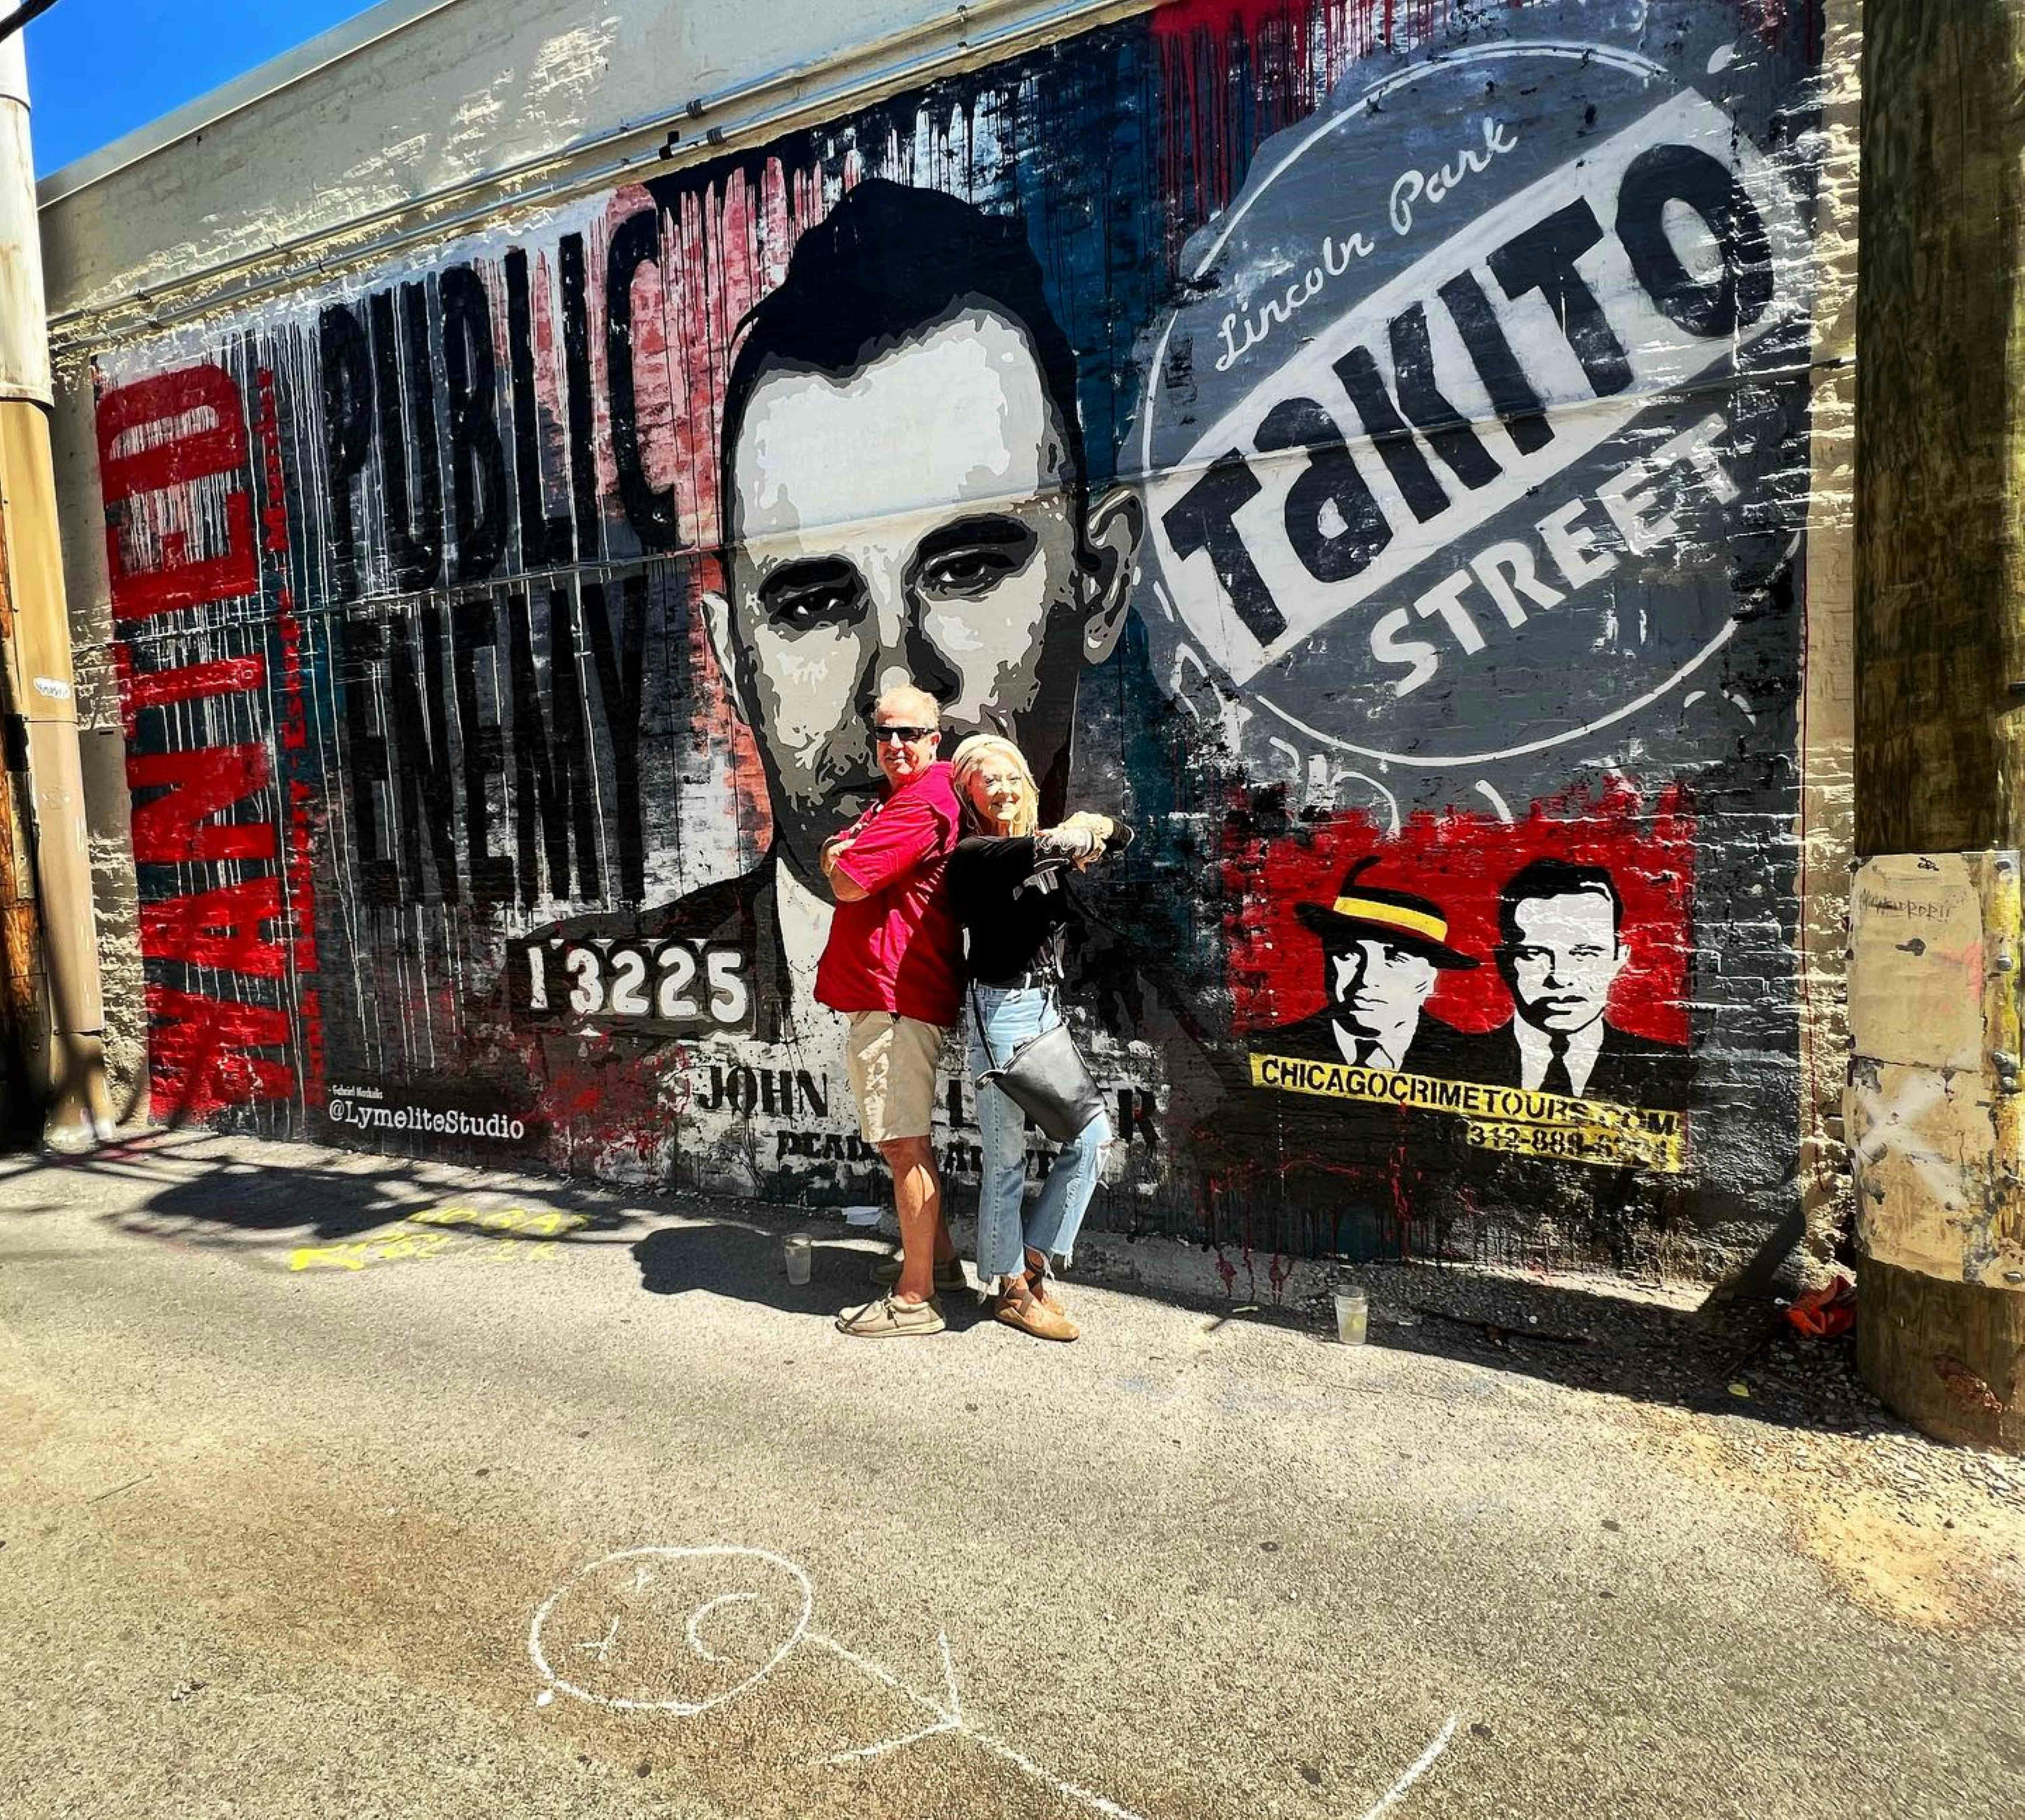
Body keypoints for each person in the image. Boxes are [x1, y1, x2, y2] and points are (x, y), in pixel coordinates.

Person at [509, 179, 1143, 1044]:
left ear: (1098, 583)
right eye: (811, 601)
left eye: (964, 570)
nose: (894, 688)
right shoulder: (589, 1045)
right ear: (736, 663)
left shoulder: (1201, 1095)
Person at [945, 735, 1118, 1342]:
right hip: (1001, 1020)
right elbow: (1022, 853)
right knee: (1007, 1160)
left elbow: (1116, 839)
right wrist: (1062, 839)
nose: (1002, 788)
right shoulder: (973, 853)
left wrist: (1094, 826)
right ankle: (1011, 1290)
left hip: (1044, 1013)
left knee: (1094, 1139)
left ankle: (1034, 1263)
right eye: (986, 780)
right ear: (967, 792)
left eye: (1011, 776)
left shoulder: (1044, 850)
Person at [820, 685, 966, 1338]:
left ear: (936, 741)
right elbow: (842, 852)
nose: (896, 746)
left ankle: (915, 1300)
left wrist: (840, 860)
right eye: (885, 735)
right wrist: (841, 854)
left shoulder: (926, 799)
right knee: (905, 1140)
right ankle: (937, 1261)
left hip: (897, 997)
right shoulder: (899, 799)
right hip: (885, 996)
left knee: (903, 1143)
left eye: (910, 734)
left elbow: (849, 876)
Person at [1254, 857, 1488, 1077]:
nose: (1366, 979)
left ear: (1428, 980)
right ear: (1327, 958)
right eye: (1348, 955)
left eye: (1395, 958)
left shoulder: (1474, 1065)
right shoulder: (1268, 1054)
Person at [1486, 858, 1689, 1108]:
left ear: (1619, 958)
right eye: (1533, 954)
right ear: (1504, 961)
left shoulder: (1674, 1072)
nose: (1560, 978)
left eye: (1586, 953)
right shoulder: (1455, 1063)